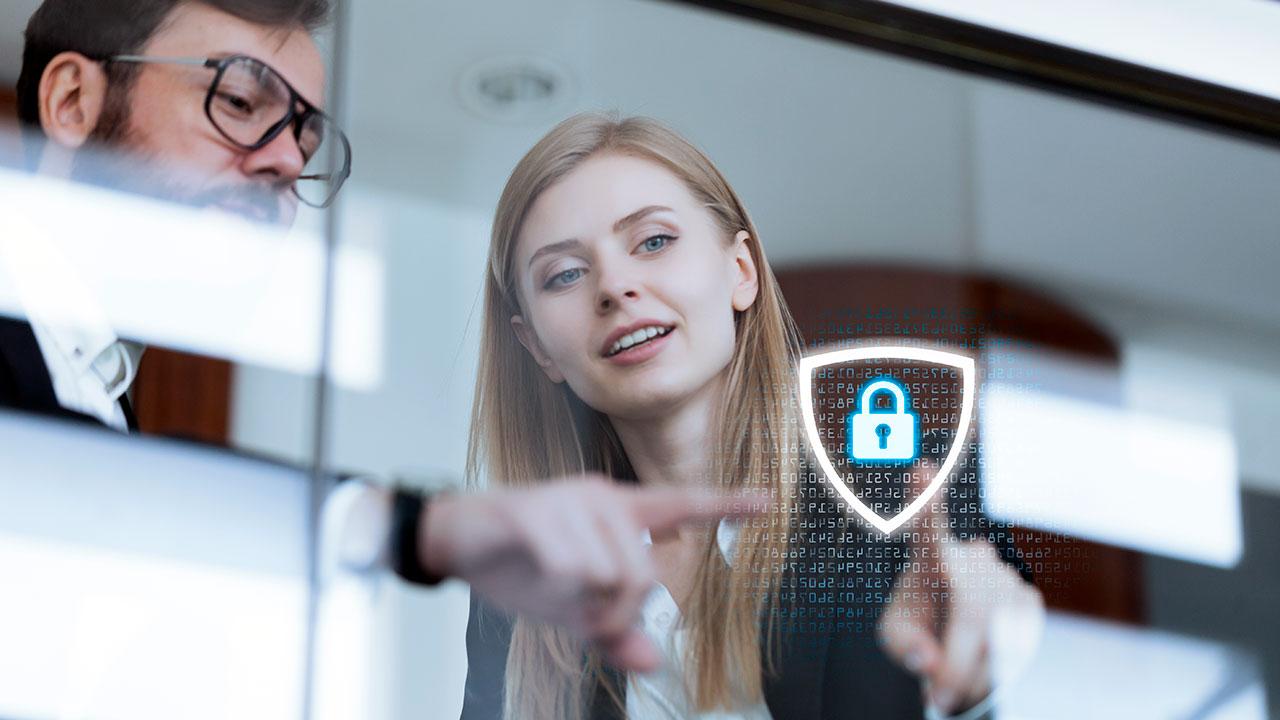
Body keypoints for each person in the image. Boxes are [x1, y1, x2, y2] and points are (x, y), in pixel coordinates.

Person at [1, 0, 760, 673]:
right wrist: (418, 526)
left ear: (742, 269)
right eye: (237, 100)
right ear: (72, 100)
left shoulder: (90, 387)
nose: (284, 159)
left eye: (303, 134)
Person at [460, 113, 1044, 719]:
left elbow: (1008, 641)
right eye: (565, 274)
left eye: (653, 241)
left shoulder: (895, 493)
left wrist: (989, 676)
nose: (614, 286)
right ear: (535, 348)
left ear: (741, 272)